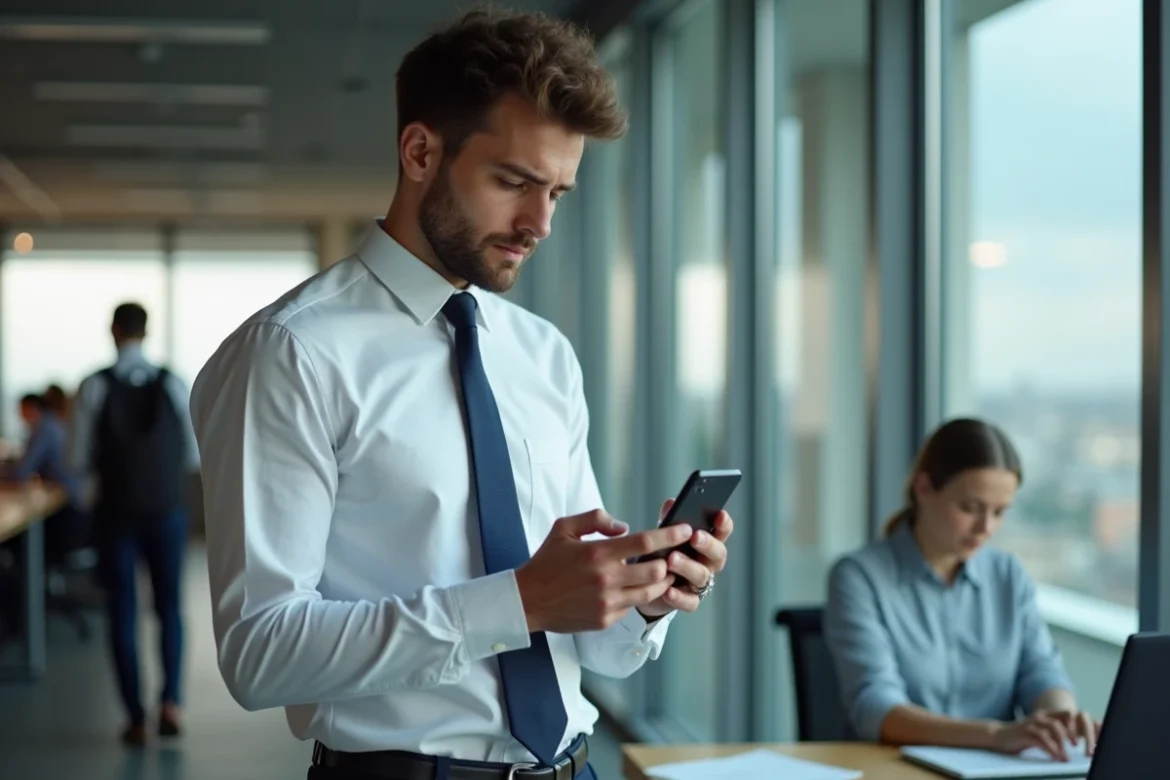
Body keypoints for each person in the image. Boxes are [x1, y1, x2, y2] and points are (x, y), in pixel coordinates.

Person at [190, 8, 735, 780]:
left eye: (559, 193)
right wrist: (517, 602)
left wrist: (641, 595)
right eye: (514, 181)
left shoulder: (543, 355)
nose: (539, 223)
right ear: (420, 151)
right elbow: (259, 652)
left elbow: (595, 648)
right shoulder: (293, 353)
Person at [824, 418, 1101, 762]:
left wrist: (1060, 717)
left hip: (996, 771)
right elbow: (876, 708)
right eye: (970, 508)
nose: (986, 528)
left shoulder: (1008, 575)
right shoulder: (858, 577)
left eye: (999, 512)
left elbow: (1041, 671)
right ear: (924, 488)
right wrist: (996, 735)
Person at [69, 302, 200, 746]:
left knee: (121, 611)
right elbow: (192, 454)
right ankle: (171, 704)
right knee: (169, 609)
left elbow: (76, 459)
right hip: (166, 512)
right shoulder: (173, 382)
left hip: (116, 515)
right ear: (146, 331)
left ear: (113, 330)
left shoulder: (93, 386)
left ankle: (135, 718)